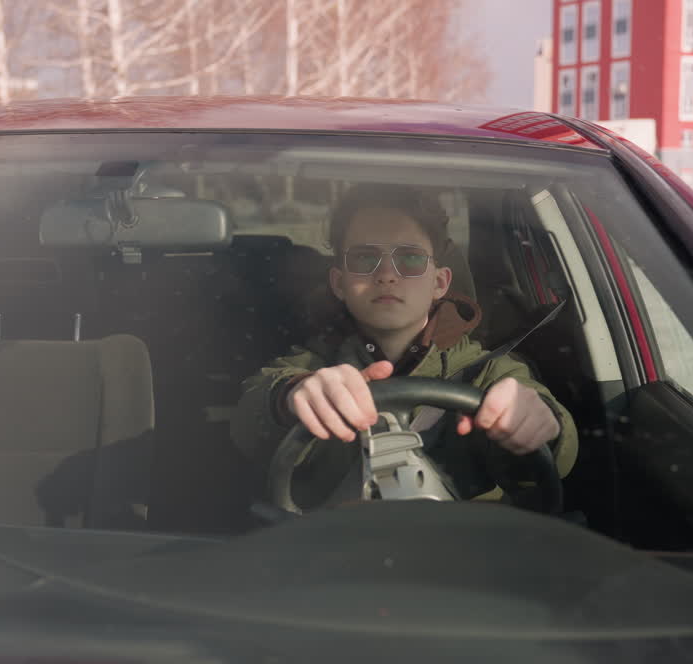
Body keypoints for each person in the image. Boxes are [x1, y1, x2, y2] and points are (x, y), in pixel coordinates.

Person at [230, 185, 578, 510]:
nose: (387, 275)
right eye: (365, 259)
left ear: (439, 282)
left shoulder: (492, 372)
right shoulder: (312, 363)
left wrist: (541, 422)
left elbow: (553, 447)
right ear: (339, 282)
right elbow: (250, 417)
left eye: (410, 259)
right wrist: (292, 397)